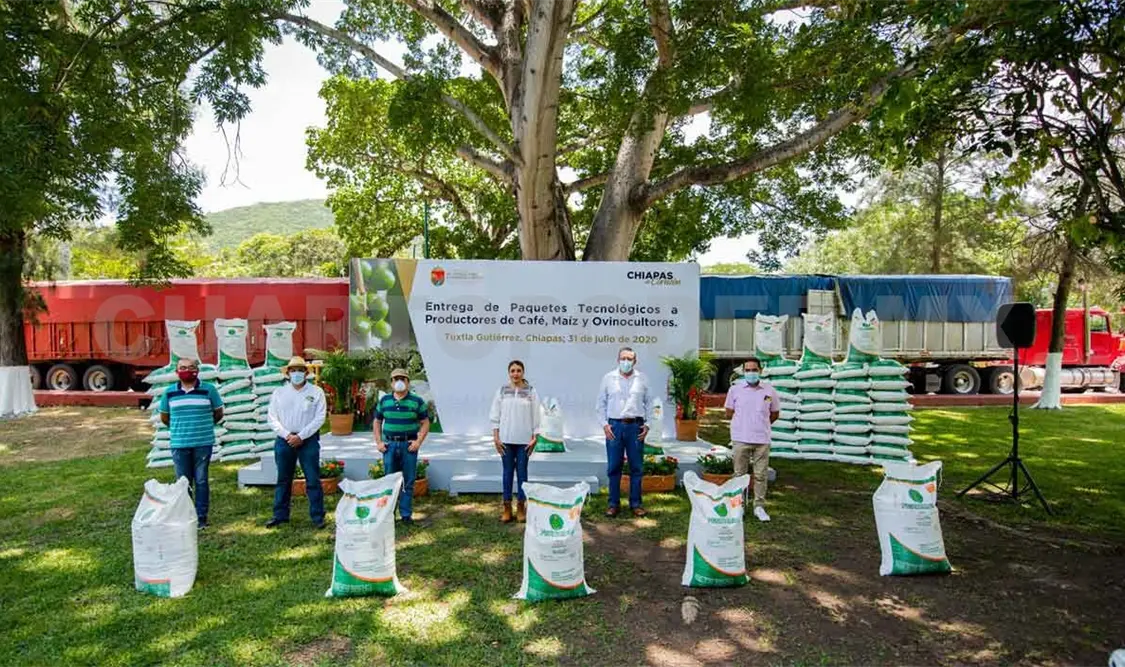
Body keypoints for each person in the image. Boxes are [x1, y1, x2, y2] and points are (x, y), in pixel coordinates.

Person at [159, 357, 224, 530]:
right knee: (183, 482)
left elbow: (218, 413)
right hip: (179, 444)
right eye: (183, 367)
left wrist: (203, 426)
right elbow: (165, 417)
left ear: (197, 370)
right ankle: (186, 515)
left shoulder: (209, 390)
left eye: (191, 367)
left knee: (201, 480)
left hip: (203, 443)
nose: (187, 370)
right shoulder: (169, 392)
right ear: (176, 371)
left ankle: (201, 517)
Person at [265, 356, 328, 529]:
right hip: (284, 440)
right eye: (293, 371)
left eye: (300, 370)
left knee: (313, 479)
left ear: (306, 373)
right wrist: (287, 435)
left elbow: (320, 417)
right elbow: (272, 418)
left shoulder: (316, 392)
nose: (297, 373)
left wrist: (301, 436)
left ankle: (317, 516)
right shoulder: (279, 393)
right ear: (288, 374)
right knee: (283, 479)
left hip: (308, 441)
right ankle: (280, 515)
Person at [596, 346, 653, 518]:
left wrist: (648, 425)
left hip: (635, 427)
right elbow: (600, 404)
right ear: (617, 359)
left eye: (629, 359)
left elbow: (650, 403)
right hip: (614, 427)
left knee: (636, 467)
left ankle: (636, 503)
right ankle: (613, 504)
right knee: (614, 467)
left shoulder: (642, 379)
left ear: (635, 361)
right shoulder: (608, 378)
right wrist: (605, 425)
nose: (626, 362)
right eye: (623, 358)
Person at [724, 357, 780, 522]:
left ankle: (759, 507)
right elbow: (728, 412)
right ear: (743, 372)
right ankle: (738, 506)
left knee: (760, 474)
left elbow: (775, 413)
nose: (751, 373)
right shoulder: (735, 390)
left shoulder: (769, 391)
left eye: (754, 370)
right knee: (739, 474)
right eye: (747, 370)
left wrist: (761, 424)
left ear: (760, 371)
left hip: (762, 439)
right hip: (741, 438)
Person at [374, 368, 431, 526]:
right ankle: (388, 514)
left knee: (408, 481)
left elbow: (425, 422)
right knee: (389, 481)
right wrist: (379, 442)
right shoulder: (384, 401)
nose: (399, 382)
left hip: (408, 445)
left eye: (403, 379)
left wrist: (418, 442)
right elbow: (377, 421)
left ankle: (406, 515)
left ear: (408, 382)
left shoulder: (417, 401)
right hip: (389, 445)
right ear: (391, 383)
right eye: (396, 379)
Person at [489, 360, 540, 524]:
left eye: (519, 370)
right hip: (506, 440)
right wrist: (496, 437)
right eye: (512, 371)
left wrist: (535, 438)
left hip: (524, 441)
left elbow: (536, 417)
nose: (515, 373)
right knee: (507, 473)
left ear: (523, 372)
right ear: (508, 373)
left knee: (522, 473)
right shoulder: (502, 391)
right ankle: (506, 507)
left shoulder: (531, 391)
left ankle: (521, 507)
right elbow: (495, 415)